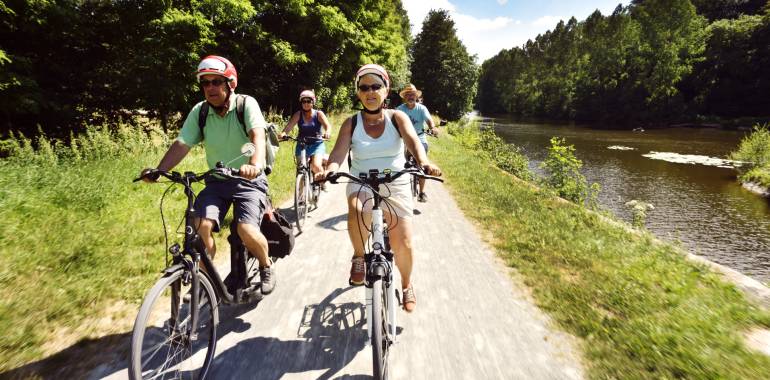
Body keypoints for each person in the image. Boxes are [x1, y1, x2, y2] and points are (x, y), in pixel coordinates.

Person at [139, 55, 275, 294]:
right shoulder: (199, 112)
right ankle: (206, 279)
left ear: (229, 83)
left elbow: (258, 136)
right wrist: (160, 170)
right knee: (200, 226)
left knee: (246, 230)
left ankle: (266, 265)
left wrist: (254, 164)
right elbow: (183, 143)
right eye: (205, 83)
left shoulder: (246, 104)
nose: (210, 87)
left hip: (248, 181)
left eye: (216, 81)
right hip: (217, 181)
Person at [319, 64, 442, 313]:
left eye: (376, 86)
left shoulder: (398, 118)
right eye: (364, 87)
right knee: (356, 210)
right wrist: (330, 169)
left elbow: (414, 143)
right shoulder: (351, 123)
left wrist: (425, 163)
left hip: (394, 180)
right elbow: (338, 153)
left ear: (386, 90)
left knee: (403, 241)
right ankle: (358, 256)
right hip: (361, 180)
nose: (370, 91)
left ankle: (407, 285)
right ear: (358, 93)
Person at [396, 84, 437, 203]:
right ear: (404, 97)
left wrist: (433, 128)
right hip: (405, 141)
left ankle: (422, 192)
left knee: (423, 164)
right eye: (408, 95)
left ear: (416, 96)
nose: (410, 97)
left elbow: (429, 120)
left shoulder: (421, 109)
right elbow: (394, 124)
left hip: (420, 139)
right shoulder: (399, 109)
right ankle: (399, 189)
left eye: (413, 94)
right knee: (400, 165)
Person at [279, 90, 332, 180]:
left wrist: (327, 132)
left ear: (313, 102)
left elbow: (328, 126)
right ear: (301, 102)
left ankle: (322, 182)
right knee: (300, 168)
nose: (306, 103)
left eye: (309, 101)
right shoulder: (298, 114)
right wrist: (283, 134)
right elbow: (288, 127)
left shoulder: (318, 114)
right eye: (304, 101)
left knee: (316, 166)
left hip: (317, 144)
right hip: (302, 144)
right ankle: (300, 190)